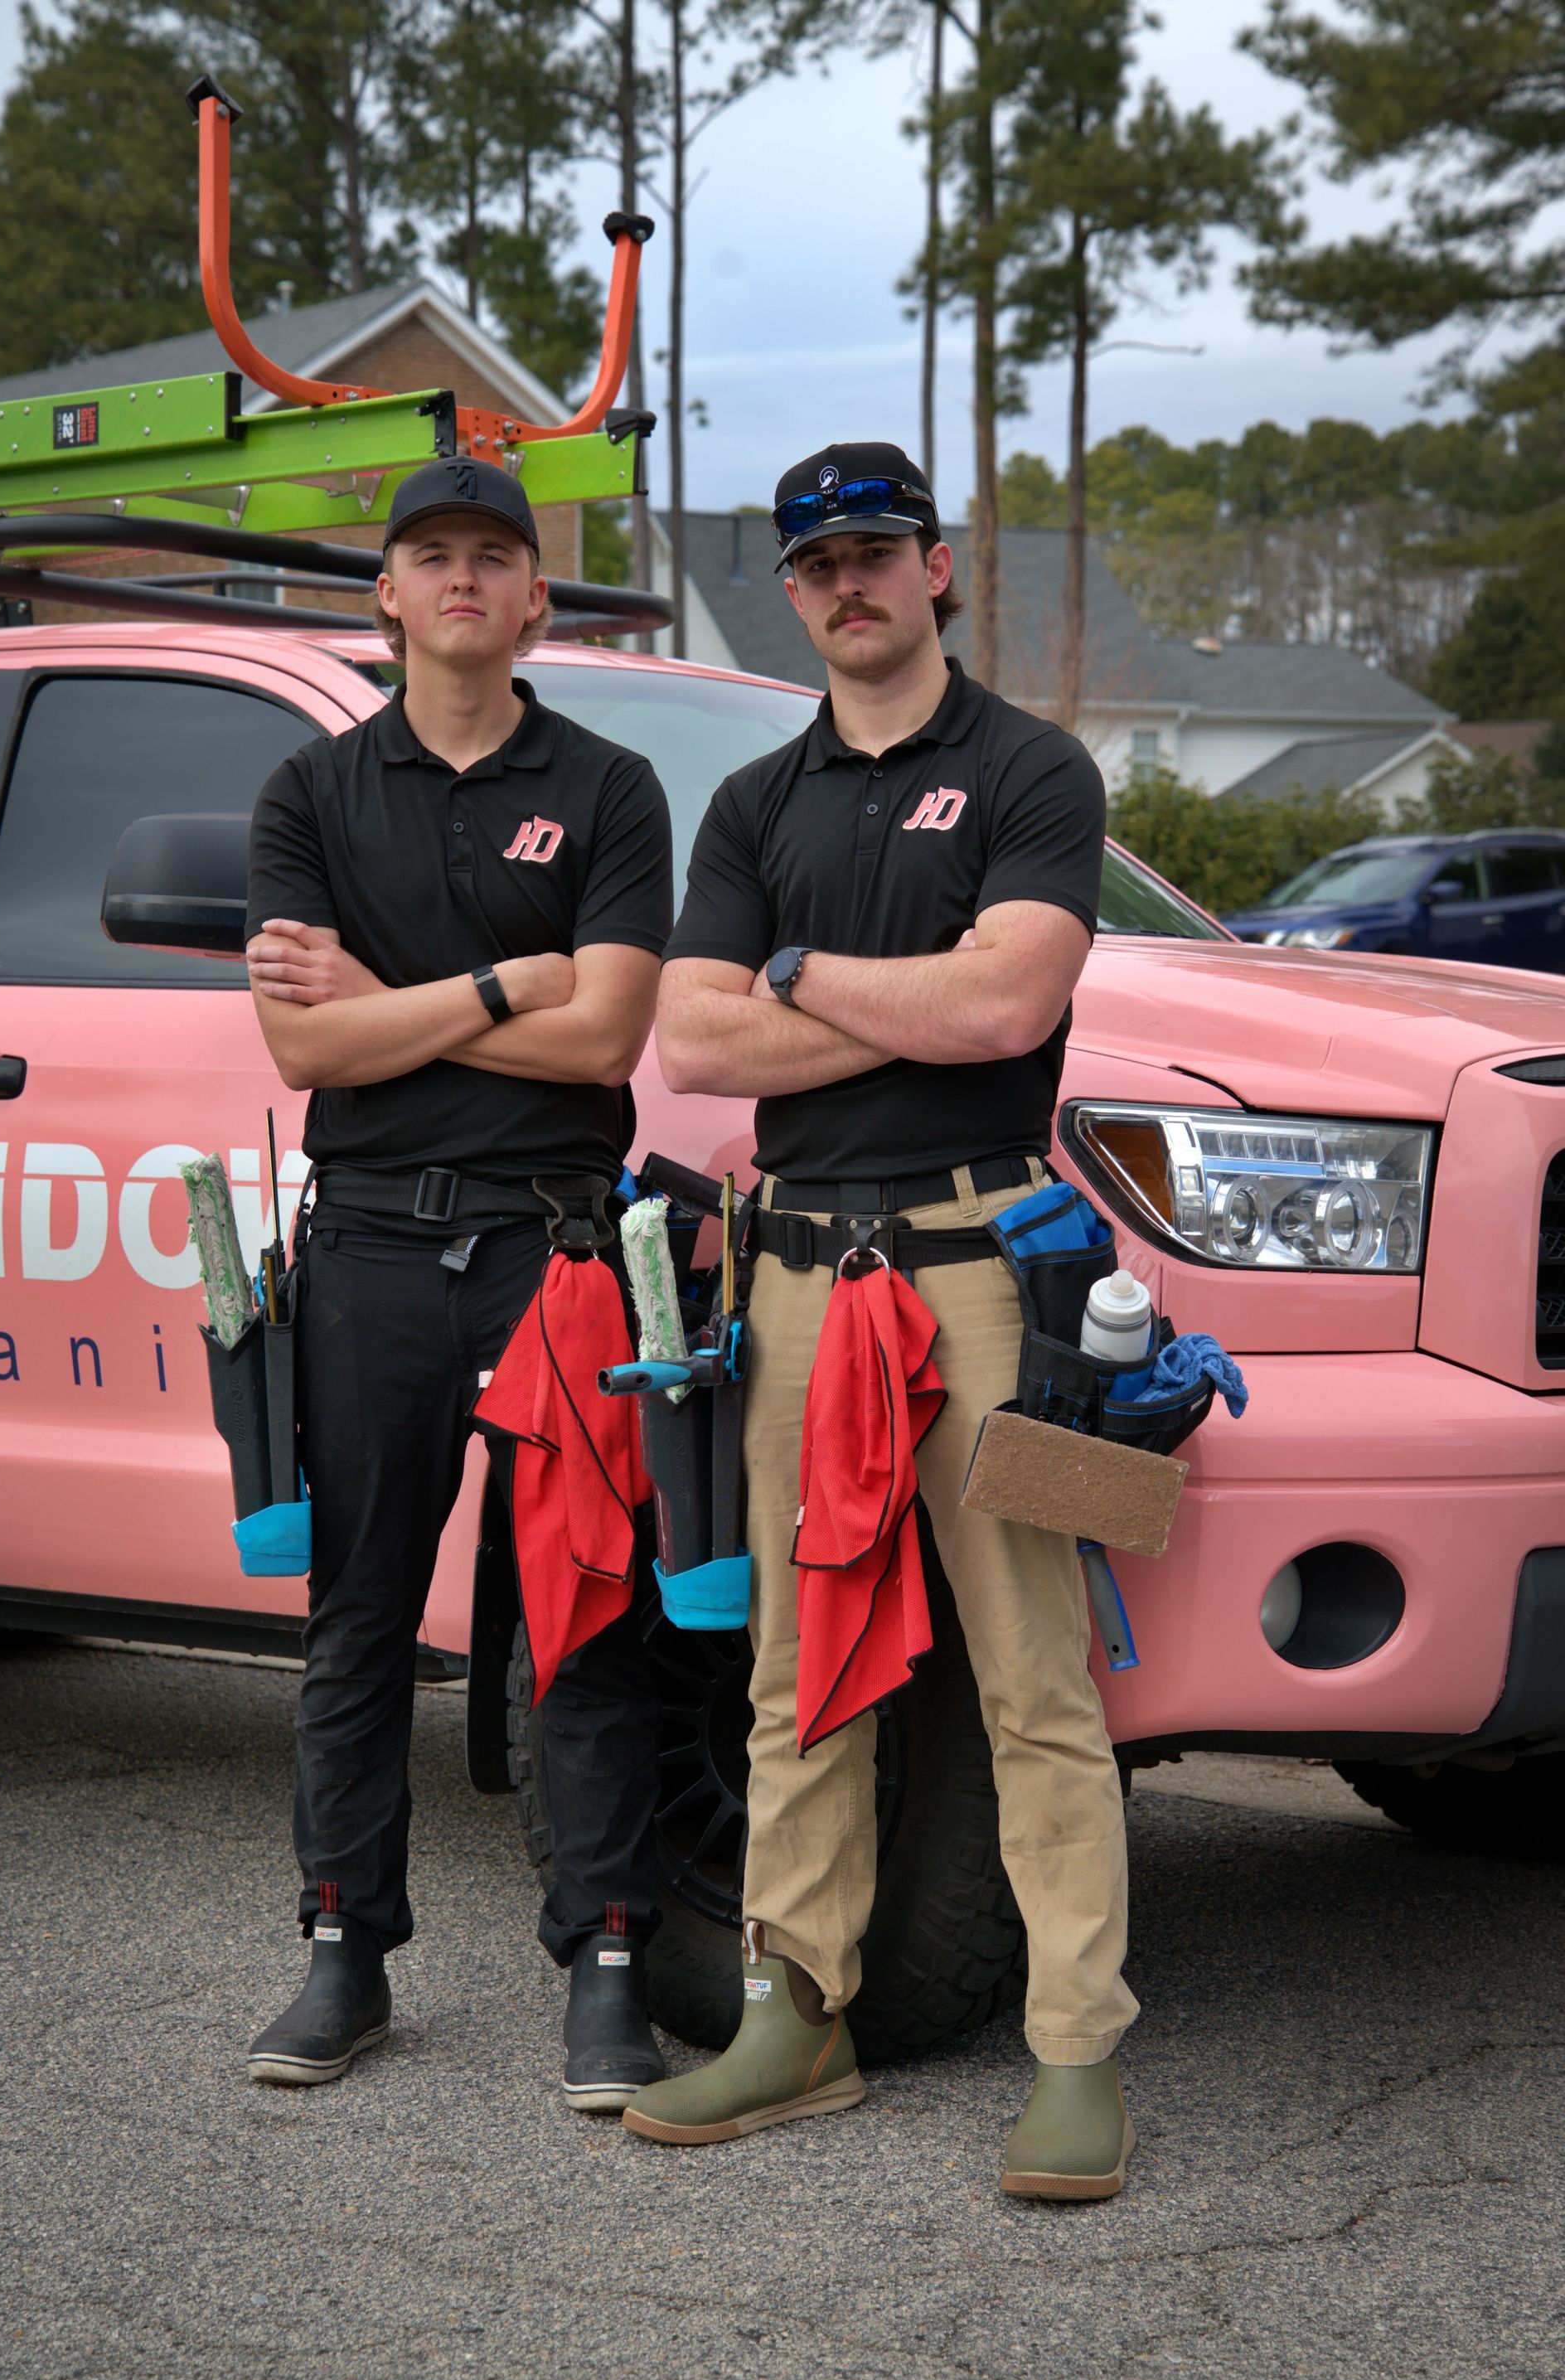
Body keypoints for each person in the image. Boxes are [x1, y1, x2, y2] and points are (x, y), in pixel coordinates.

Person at [623, 441, 1138, 2198]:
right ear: (793, 592)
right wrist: (907, 1005)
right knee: (794, 1675)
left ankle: (1077, 2053)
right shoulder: (755, 804)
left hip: (992, 1273)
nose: (849, 583)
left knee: (1035, 1679)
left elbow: (1013, 1002)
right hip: (791, 1282)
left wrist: (795, 975)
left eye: (877, 551)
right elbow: (692, 1045)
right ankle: (797, 2012)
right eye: (817, 562)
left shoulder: (1031, 768)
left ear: (939, 568)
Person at [241, 455, 673, 2110]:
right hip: (364, 1245)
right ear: (390, 595)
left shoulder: (614, 786)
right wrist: (507, 978)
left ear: (536, 596)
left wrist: (394, 1000)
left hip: (558, 1243)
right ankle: (346, 1950)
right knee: (358, 1609)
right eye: (434, 554)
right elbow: (303, 1042)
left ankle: (609, 1960)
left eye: (498, 554)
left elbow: (611, 1035)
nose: (466, 577)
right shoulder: (310, 793)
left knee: (584, 1607)